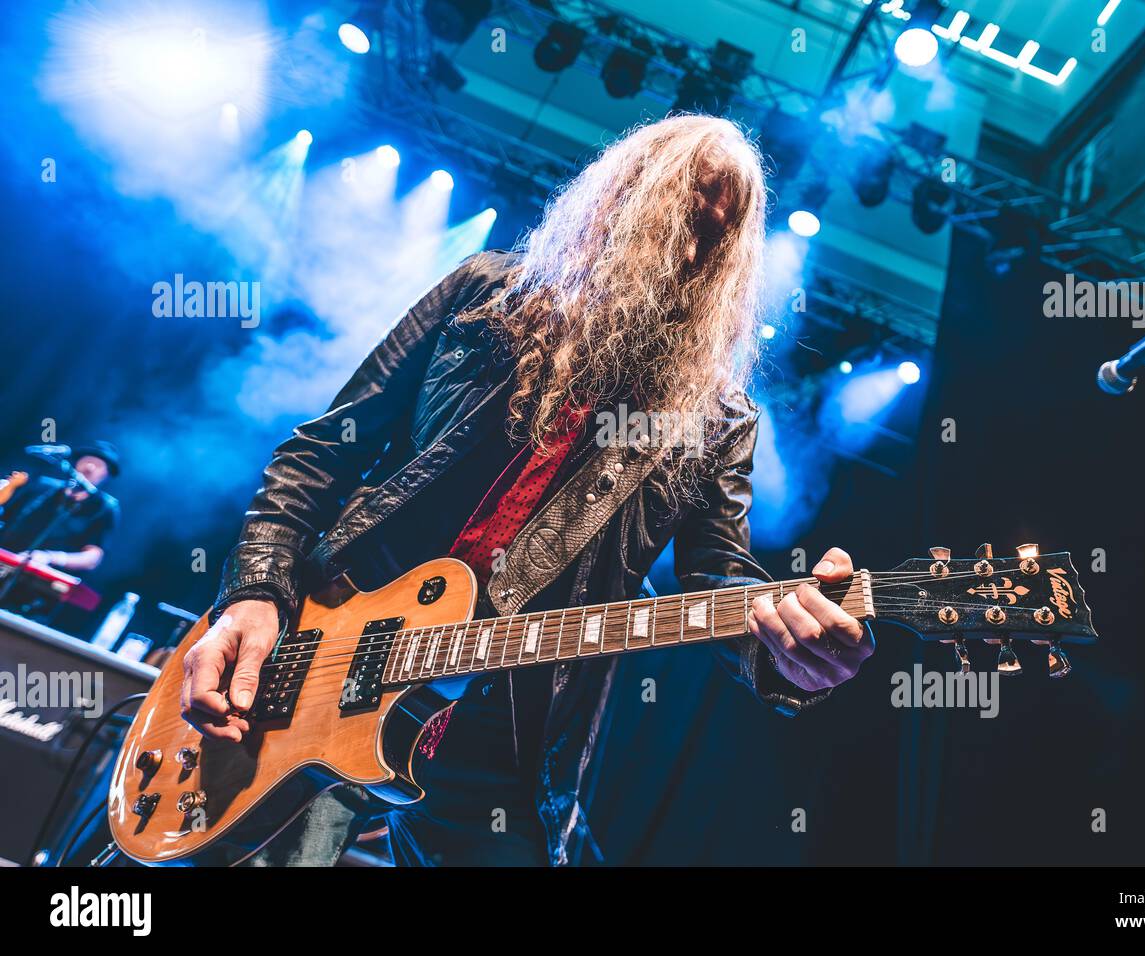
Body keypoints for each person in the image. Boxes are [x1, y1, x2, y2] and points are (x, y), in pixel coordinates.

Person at [181, 115, 875, 866]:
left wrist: (788, 650)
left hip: (509, 723)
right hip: (333, 646)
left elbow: (719, 574)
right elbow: (323, 451)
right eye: (686, 209)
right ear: (623, 197)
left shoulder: (718, 418)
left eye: (722, 231)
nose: (696, 245)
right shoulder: (482, 293)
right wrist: (254, 592)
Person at [0, 440, 121, 574]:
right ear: (77, 463)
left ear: (106, 475)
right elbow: (5, 517)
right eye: (88, 460)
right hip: (6, 558)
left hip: (39, 576)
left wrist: (51, 557)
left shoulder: (104, 507)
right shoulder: (43, 486)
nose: (90, 467)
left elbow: (93, 557)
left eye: (98, 465)